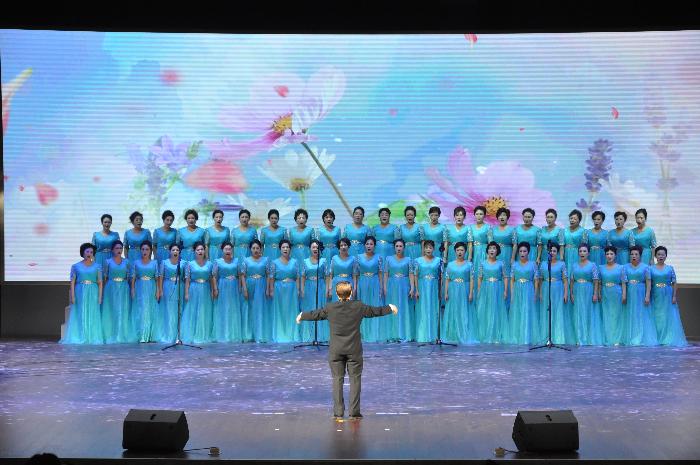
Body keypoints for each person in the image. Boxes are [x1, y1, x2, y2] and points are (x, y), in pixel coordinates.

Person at [296, 281, 398, 418]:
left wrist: (302, 315)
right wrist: (390, 308)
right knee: (355, 379)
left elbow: (316, 314)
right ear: (350, 293)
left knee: (337, 379)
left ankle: (338, 412)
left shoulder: (331, 307)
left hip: (336, 350)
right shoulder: (358, 306)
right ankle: (354, 412)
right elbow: (375, 311)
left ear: (337, 294)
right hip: (353, 350)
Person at [61, 243, 104, 344]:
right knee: (81, 313)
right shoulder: (76, 266)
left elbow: (100, 282)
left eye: (91, 252)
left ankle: (92, 336)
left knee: (93, 313)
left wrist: (100, 296)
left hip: (93, 291)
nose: (89, 254)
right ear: (83, 253)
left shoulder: (97, 266)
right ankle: (81, 335)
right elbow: (72, 282)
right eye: (87, 251)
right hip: (80, 291)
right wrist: (73, 296)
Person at [650, 246, 688, 346]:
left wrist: (674, 296)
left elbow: (674, 283)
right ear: (655, 256)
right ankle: (657, 338)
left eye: (663, 254)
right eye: (659, 254)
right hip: (655, 294)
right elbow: (648, 283)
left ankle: (667, 338)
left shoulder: (670, 268)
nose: (661, 256)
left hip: (667, 294)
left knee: (667, 315)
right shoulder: (650, 268)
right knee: (656, 315)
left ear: (666, 256)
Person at [181, 242, 216, 344]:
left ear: (205, 251)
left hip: (205, 289)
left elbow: (211, 279)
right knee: (193, 311)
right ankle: (192, 334)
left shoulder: (209, 264)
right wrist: (186, 293)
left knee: (204, 311)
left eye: (202, 249)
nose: (200, 251)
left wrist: (213, 290)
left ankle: (204, 334)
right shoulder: (190, 264)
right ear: (194, 251)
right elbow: (187, 280)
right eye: (198, 250)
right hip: (194, 289)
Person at [538, 243, 573, 345]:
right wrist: (540, 292)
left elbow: (565, 280)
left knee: (557, 311)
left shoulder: (562, 264)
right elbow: (540, 280)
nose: (552, 253)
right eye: (550, 251)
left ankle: (558, 337)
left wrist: (566, 293)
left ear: (557, 253)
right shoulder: (543, 264)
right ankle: (546, 337)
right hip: (546, 288)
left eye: (554, 251)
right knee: (546, 312)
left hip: (558, 288)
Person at [623, 246, 658, 346]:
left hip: (641, 292)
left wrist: (647, 296)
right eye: (632, 254)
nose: (634, 256)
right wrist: (624, 295)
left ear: (640, 256)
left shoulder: (646, 267)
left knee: (641, 314)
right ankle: (631, 337)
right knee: (630, 314)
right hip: (630, 292)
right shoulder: (625, 267)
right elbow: (624, 282)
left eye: (636, 254)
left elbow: (648, 283)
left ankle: (641, 337)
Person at [442, 242, 476, 344]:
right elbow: (447, 279)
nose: (460, 252)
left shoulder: (469, 264)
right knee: (453, 310)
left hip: (464, 289)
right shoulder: (450, 265)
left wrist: (471, 293)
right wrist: (446, 292)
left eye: (462, 250)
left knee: (464, 310)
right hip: (453, 290)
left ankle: (464, 333)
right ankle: (453, 334)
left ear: (465, 252)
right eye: (457, 250)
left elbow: (471, 279)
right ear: (455, 251)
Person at [508, 242, 540, 345]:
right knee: (517, 312)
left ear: (528, 252)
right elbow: (512, 280)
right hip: (517, 289)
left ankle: (527, 337)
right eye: (521, 251)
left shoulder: (533, 264)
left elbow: (536, 280)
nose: (522, 253)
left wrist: (535, 293)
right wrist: (512, 293)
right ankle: (517, 336)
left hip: (528, 289)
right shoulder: (514, 264)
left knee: (527, 311)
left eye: (524, 251)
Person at [476, 242, 508, 343]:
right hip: (485, 288)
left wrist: (505, 290)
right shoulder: (482, 263)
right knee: (485, 310)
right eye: (490, 248)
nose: (492, 250)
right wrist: (479, 290)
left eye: (494, 248)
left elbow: (505, 277)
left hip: (498, 289)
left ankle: (496, 334)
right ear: (487, 251)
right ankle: (484, 333)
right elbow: (480, 277)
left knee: (496, 310)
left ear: (497, 251)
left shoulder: (501, 263)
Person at [383, 239, 415, 342]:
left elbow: (411, 274)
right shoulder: (388, 259)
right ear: (394, 248)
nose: (398, 248)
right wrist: (384, 287)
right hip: (392, 286)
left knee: (404, 308)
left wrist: (412, 287)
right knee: (393, 308)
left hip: (404, 285)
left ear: (404, 248)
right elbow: (386, 274)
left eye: (400, 246)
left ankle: (404, 334)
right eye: (397, 246)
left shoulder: (408, 259)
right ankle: (393, 334)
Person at [270, 239, 301, 342]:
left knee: (292, 312)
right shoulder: (274, 262)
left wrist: (298, 289)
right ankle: (280, 335)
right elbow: (272, 278)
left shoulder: (295, 262)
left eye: (287, 247)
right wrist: (271, 290)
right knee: (280, 312)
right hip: (279, 289)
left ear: (290, 249)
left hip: (292, 289)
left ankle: (292, 335)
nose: (285, 249)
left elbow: (298, 277)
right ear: (280, 249)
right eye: (283, 247)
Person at [101, 240, 132, 343]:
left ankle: (122, 333)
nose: (119, 250)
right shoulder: (108, 262)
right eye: (117, 248)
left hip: (123, 288)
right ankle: (111, 333)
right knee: (112, 310)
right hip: (111, 288)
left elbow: (128, 277)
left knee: (123, 310)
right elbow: (105, 277)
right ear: (112, 250)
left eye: (120, 248)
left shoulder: (126, 262)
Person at [301, 240, 331, 342]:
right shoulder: (305, 261)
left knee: (320, 309)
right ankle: (309, 335)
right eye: (313, 247)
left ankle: (321, 336)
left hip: (321, 286)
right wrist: (302, 289)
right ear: (310, 248)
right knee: (310, 308)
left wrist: (328, 289)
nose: (315, 249)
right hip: (309, 287)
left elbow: (327, 276)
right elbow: (303, 276)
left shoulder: (323, 261)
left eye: (317, 247)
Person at [212, 242, 243, 343]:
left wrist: (240, 287)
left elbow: (240, 275)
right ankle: (223, 333)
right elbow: (214, 276)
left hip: (234, 287)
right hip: (222, 286)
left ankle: (233, 334)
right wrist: (215, 289)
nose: (228, 251)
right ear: (222, 250)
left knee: (233, 309)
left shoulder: (237, 261)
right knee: (223, 309)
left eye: (230, 249)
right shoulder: (217, 261)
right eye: (226, 249)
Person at [241, 240, 270, 342]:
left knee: (260, 309)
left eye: (257, 248)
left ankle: (260, 334)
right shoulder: (246, 260)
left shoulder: (266, 260)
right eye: (253, 248)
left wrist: (268, 288)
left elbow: (268, 275)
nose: (255, 250)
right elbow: (242, 275)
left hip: (261, 285)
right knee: (249, 309)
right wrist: (244, 289)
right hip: (249, 285)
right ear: (250, 249)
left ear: (261, 249)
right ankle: (249, 334)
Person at [130, 240, 160, 343]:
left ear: (150, 251)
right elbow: (133, 277)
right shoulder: (136, 263)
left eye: (147, 249)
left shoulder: (154, 263)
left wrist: (158, 290)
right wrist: (132, 289)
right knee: (141, 311)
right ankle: (142, 335)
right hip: (139, 288)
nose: (145, 251)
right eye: (143, 249)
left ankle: (150, 335)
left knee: (150, 310)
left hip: (151, 287)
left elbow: (157, 278)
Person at [414, 239, 442, 342]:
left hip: (434, 287)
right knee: (423, 310)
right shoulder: (418, 261)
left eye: (430, 247)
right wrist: (417, 290)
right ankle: (423, 335)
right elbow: (415, 275)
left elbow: (441, 277)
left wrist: (440, 290)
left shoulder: (438, 260)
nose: (428, 249)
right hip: (422, 287)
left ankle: (434, 335)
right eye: (426, 248)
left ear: (434, 249)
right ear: (423, 249)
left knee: (433, 309)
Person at [599, 246, 627, 346]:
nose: (609, 256)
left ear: (615, 255)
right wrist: (599, 293)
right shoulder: (601, 267)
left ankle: (617, 338)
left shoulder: (621, 267)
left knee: (616, 316)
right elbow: (599, 282)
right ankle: (608, 337)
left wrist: (624, 295)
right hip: (605, 293)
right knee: (606, 315)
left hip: (617, 293)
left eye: (611, 254)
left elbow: (623, 282)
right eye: (607, 254)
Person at [158, 243, 185, 343]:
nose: (175, 252)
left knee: (179, 309)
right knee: (169, 311)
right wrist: (160, 290)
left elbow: (185, 277)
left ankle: (179, 335)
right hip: (167, 287)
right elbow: (161, 276)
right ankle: (169, 334)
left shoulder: (183, 263)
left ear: (179, 252)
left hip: (179, 287)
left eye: (177, 250)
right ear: (170, 251)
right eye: (173, 250)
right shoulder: (164, 262)